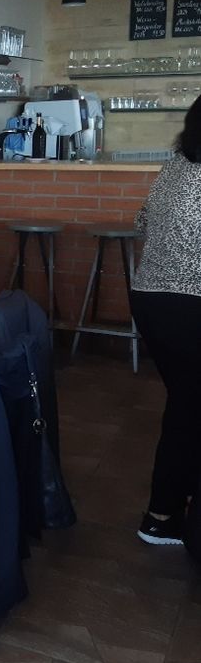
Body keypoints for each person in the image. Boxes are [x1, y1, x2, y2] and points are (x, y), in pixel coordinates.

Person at [131, 94, 201, 546]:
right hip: (188, 305)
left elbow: (141, 221)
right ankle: (162, 517)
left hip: (150, 301)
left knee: (186, 404)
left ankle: (171, 511)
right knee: (189, 409)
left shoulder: (176, 164)